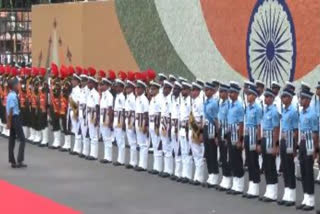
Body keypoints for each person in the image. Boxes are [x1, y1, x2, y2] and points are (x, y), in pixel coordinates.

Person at [296, 87, 318, 211]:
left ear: (309, 100)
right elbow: (301, 131)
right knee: (303, 171)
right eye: (300, 98)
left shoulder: (312, 114)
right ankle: (305, 197)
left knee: (309, 172)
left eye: (303, 98)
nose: (301, 100)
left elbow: (315, 134)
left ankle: (311, 200)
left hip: (310, 143)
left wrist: (315, 150)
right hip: (303, 143)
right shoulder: (302, 113)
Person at [277, 88, 298, 207]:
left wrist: (294, 148)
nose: (283, 99)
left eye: (285, 96)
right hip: (283, 141)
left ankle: (292, 196)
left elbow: (295, 131)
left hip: (290, 142)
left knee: (290, 168)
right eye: (282, 97)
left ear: (290, 98)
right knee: (284, 168)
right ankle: (286, 193)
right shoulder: (284, 111)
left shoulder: (293, 111)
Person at [259, 88, 280, 202]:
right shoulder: (265, 110)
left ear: (272, 98)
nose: (265, 99)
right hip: (264, 138)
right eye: (265, 97)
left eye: (268, 97)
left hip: (271, 139)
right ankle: (269, 189)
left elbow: (276, 129)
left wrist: (275, 145)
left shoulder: (274, 111)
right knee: (266, 165)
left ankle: (273, 192)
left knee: (271, 166)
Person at [243, 84, 262, 199]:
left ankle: (255, 186)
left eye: (250, 94)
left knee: (254, 161)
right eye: (247, 94)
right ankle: (251, 186)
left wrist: (259, 143)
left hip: (254, 136)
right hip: (247, 135)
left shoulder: (258, 108)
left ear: (254, 96)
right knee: (249, 161)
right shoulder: (248, 107)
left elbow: (259, 126)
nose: (247, 96)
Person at [226, 81, 245, 195]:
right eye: (230, 92)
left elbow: (241, 124)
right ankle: (235, 183)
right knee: (232, 159)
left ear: (237, 93)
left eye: (232, 92)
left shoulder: (239, 106)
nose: (230, 94)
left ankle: (239, 185)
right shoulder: (230, 105)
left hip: (236, 135)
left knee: (237, 160)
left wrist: (240, 140)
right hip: (230, 133)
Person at [7, 76, 27, 168]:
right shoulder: (13, 96)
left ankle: (12, 161)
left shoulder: (11, 95)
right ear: (14, 86)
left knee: (12, 140)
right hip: (14, 118)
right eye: (18, 84)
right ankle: (19, 160)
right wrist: (9, 122)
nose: (19, 85)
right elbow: (11, 109)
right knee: (22, 139)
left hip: (13, 118)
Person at [202, 82, 220, 188]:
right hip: (206, 127)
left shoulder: (214, 103)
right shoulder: (206, 102)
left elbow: (216, 119)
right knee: (207, 152)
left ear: (213, 91)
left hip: (212, 128)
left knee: (212, 152)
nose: (206, 92)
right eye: (205, 90)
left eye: (208, 90)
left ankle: (215, 175)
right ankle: (210, 174)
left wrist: (217, 135)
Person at [189, 82, 205, 185]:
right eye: (192, 90)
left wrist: (201, 133)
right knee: (195, 154)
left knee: (199, 154)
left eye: (195, 90)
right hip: (193, 128)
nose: (193, 92)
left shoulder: (200, 102)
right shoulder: (195, 101)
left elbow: (203, 118)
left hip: (198, 129)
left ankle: (199, 177)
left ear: (198, 91)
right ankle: (197, 176)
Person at [179, 81, 193, 183]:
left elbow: (191, 117)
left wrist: (189, 130)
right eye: (182, 89)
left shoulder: (190, 101)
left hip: (188, 128)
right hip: (181, 128)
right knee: (183, 151)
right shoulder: (183, 100)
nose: (182, 91)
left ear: (188, 90)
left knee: (188, 152)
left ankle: (188, 175)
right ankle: (184, 173)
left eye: (184, 89)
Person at [159, 80, 173, 177]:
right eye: (163, 87)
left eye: (166, 88)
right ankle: (166, 168)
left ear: (169, 89)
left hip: (167, 123)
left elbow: (171, 115)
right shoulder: (164, 98)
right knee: (165, 147)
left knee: (168, 147)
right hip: (163, 122)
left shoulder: (170, 99)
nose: (164, 89)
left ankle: (169, 170)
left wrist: (169, 127)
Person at [134, 80, 149, 171]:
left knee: (143, 144)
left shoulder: (144, 99)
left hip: (142, 122)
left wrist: (145, 125)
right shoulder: (137, 98)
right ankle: (140, 163)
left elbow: (146, 114)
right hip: (137, 122)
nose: (137, 89)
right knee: (140, 144)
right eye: (136, 88)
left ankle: (143, 165)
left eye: (139, 88)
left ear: (143, 89)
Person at [148, 81, 162, 175]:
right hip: (152, 123)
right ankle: (156, 166)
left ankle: (158, 168)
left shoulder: (159, 98)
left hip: (157, 124)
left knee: (158, 146)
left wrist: (158, 126)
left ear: (157, 89)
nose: (151, 90)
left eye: (153, 89)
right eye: (151, 88)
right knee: (155, 146)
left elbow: (160, 113)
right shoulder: (153, 98)